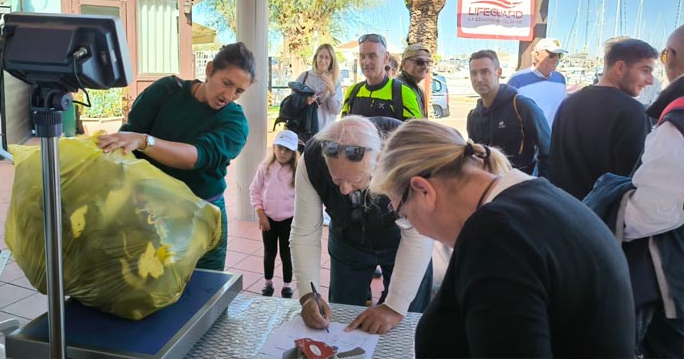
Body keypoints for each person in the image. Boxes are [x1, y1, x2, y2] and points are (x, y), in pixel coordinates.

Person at [369, 119, 636, 357]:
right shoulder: (539, 198)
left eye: (403, 213)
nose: (412, 225)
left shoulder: (496, 238)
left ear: (423, 190)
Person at [97, 42, 255, 271]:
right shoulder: (167, 91)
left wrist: (144, 141)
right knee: (146, 281)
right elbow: (130, 131)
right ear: (209, 70)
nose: (229, 96)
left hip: (200, 215)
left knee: (204, 288)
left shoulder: (235, 123)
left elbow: (196, 156)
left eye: (239, 91)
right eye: (227, 83)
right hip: (148, 210)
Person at [291, 115, 433, 335]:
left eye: (356, 181)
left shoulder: (405, 156)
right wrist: (308, 294)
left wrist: (395, 306)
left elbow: (420, 233)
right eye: (336, 180)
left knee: (407, 318)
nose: (345, 190)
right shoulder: (311, 160)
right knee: (341, 315)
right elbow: (305, 232)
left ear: (377, 162)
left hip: (401, 238)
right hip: (347, 240)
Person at [592, 24, 684, 358]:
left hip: (668, 276)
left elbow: (654, 209)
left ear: (669, 57)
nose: (649, 78)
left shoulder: (676, 118)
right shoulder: (642, 113)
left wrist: (603, 207)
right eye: (644, 70)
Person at [550, 38, 656, 200]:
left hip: (562, 211)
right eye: (645, 70)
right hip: (601, 219)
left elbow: (555, 162)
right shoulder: (634, 112)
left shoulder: (568, 103)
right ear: (620, 67)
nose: (650, 80)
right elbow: (634, 181)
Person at [466, 49, 550, 177]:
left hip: (521, 187)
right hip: (489, 188)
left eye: (485, 72)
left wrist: (541, 185)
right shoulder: (473, 116)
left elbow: (548, 151)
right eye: (474, 73)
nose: (479, 79)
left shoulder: (522, 106)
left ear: (498, 72)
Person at [249, 130, 300, 299]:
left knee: (287, 255)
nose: (283, 152)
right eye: (279, 148)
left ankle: (287, 286)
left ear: (293, 152)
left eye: (287, 149)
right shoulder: (265, 168)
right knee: (269, 253)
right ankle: (268, 283)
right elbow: (254, 191)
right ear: (274, 148)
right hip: (268, 220)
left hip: (289, 221)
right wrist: (260, 213)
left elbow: (303, 198)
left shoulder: (298, 171)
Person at [341, 34, 422, 120]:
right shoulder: (352, 92)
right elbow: (343, 129)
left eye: (372, 56)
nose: (366, 62)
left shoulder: (403, 93)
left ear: (386, 58)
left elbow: (415, 132)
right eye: (362, 56)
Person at [508, 37, 568, 126]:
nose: (556, 58)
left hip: (555, 138)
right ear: (537, 54)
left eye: (559, 55)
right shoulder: (517, 80)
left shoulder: (560, 79)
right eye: (551, 54)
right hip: (528, 138)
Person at [295, 44, 343, 133]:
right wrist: (304, 101)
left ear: (331, 61)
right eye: (320, 56)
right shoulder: (304, 76)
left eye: (327, 58)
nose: (323, 61)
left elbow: (336, 110)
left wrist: (332, 91)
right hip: (304, 131)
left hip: (326, 133)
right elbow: (293, 101)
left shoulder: (335, 80)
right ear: (316, 58)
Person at [395, 44, 432, 117]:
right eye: (420, 62)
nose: (425, 67)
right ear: (405, 64)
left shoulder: (416, 88)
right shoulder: (399, 88)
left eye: (428, 63)